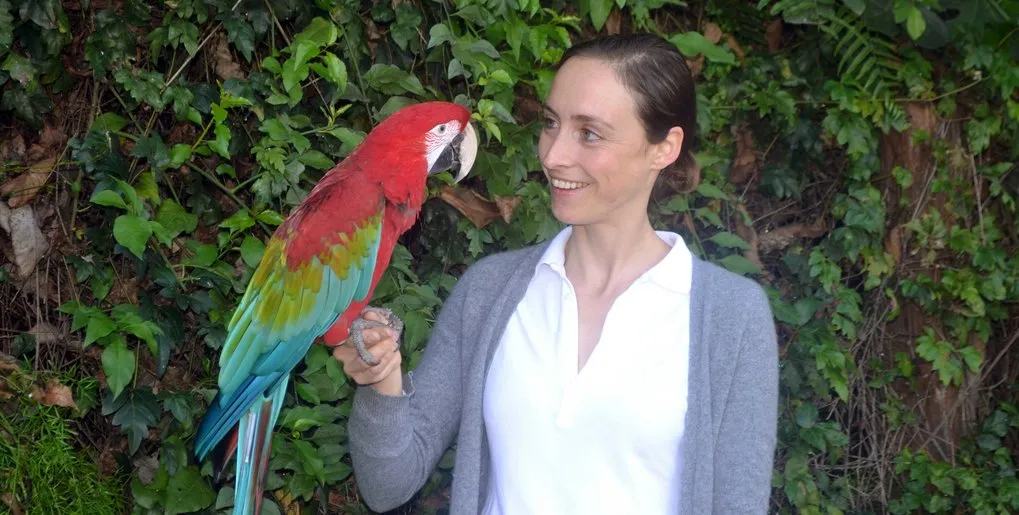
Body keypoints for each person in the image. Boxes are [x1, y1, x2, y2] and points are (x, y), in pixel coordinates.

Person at [332, 33, 779, 514]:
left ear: (664, 148)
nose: (552, 155)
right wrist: (384, 381)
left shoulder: (731, 316)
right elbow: (388, 485)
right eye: (551, 123)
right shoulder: (491, 290)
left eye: (589, 133)